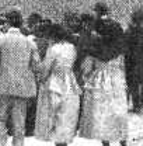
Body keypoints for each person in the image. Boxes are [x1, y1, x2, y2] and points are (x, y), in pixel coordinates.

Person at [0, 9, 40, 146]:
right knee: (19, 123)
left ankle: (2, 144)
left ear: (7, 23)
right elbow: (37, 66)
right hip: (22, 87)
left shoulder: (0, 40)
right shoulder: (29, 43)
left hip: (1, 86)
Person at [78, 18, 129, 146]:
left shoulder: (94, 49)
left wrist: (86, 76)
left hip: (101, 81)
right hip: (117, 80)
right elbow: (122, 66)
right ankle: (123, 140)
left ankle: (106, 142)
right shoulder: (119, 49)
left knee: (103, 113)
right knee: (119, 111)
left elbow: (87, 69)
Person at [33, 23, 80, 146]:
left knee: (53, 115)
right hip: (70, 80)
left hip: (55, 82)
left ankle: (58, 142)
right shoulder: (72, 47)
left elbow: (46, 68)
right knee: (66, 115)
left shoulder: (53, 49)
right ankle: (64, 141)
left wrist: (41, 79)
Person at [125, 8, 143, 113]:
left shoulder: (130, 31)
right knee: (135, 83)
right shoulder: (132, 31)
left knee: (133, 83)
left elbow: (126, 47)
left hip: (133, 61)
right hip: (136, 61)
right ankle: (138, 104)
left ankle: (137, 105)